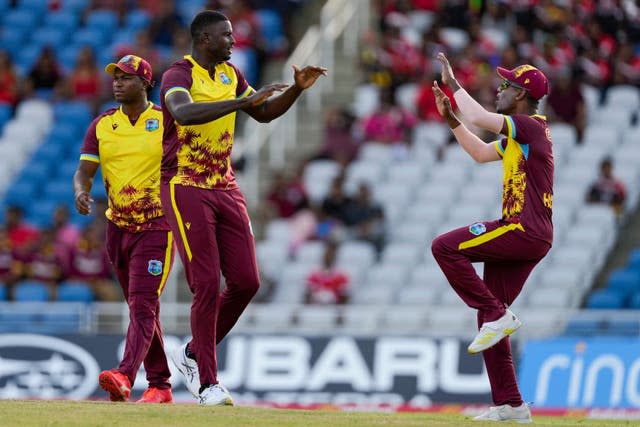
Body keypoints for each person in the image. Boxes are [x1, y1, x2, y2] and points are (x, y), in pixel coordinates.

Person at [159, 10, 326, 405]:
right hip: (185, 184)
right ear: (204, 40)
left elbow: (262, 112)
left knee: (248, 281)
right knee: (205, 282)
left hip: (224, 184)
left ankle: (191, 355)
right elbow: (183, 113)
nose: (234, 41)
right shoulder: (178, 76)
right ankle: (207, 384)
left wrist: (295, 90)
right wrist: (240, 102)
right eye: (227, 35)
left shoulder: (230, 74)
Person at [430, 52, 553, 424]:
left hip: (522, 228)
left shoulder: (529, 126)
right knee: (487, 316)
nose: (498, 91)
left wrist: (453, 84)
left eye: (505, 86)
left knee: (444, 247)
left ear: (520, 95)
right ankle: (512, 406)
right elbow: (481, 153)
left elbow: (481, 118)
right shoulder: (522, 136)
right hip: (531, 233)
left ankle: (500, 315)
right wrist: (452, 120)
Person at [73, 54, 175, 404]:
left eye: (126, 77)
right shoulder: (102, 124)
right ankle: (160, 385)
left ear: (146, 83)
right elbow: (84, 170)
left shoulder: (165, 121)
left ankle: (124, 374)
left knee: (143, 302)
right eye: (115, 77)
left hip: (157, 227)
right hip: (117, 228)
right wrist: (80, 191)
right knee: (141, 308)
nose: (117, 82)